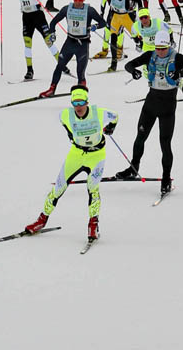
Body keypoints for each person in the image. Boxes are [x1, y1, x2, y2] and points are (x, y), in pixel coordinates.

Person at [24, 86, 118, 244]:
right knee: (58, 188)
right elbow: (64, 123)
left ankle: (93, 225)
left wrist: (110, 128)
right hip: (76, 155)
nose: (79, 106)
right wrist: (70, 135)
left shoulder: (98, 112)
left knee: (93, 188)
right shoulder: (65, 115)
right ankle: (41, 220)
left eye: (81, 102)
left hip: (96, 156)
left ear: (87, 102)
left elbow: (115, 116)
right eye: (75, 102)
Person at [117, 29, 183, 194]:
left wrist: (179, 72)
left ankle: (166, 178)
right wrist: (133, 71)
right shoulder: (150, 55)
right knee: (140, 137)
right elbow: (129, 64)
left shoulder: (177, 58)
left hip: (168, 107)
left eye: (163, 48)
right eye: (158, 48)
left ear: (168, 46)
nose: (160, 52)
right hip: (151, 104)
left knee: (165, 144)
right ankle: (134, 168)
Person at [38, 0, 109, 97]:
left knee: (80, 71)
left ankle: (82, 93)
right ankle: (51, 89)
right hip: (70, 42)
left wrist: (95, 26)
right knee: (59, 66)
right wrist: (52, 33)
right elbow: (53, 22)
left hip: (83, 44)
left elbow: (103, 22)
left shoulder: (89, 10)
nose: (78, 2)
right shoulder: (67, 9)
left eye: (80, 0)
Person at [12, 0, 54, 81]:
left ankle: (62, 65)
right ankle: (29, 70)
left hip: (38, 17)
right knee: (27, 43)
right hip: (26, 18)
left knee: (49, 42)